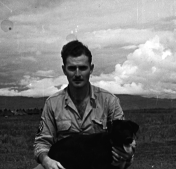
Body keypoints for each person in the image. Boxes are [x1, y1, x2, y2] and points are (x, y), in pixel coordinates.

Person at [33, 40, 135, 169]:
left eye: (82, 68)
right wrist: (47, 161)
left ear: (91, 69)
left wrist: (128, 153)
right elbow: (42, 143)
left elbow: (124, 136)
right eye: (71, 68)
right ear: (64, 69)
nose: (77, 74)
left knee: (120, 163)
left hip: (99, 163)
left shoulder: (109, 101)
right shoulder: (52, 103)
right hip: (64, 162)